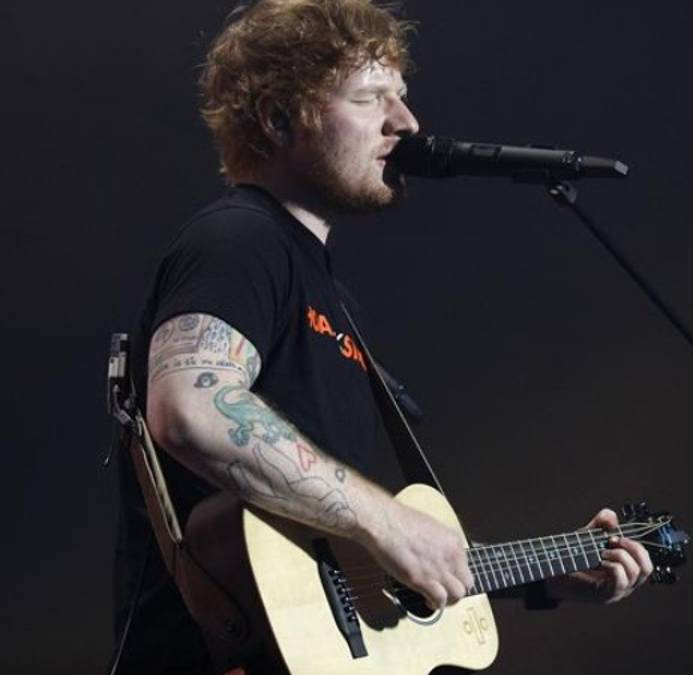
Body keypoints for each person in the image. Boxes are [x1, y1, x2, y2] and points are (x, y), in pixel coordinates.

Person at [112, 1, 653, 672]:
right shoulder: (240, 239)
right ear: (279, 119)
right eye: (371, 98)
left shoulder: (326, 293)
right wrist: (388, 520)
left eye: (400, 95)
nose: (407, 122)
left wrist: (544, 576)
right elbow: (190, 409)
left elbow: (337, 568)